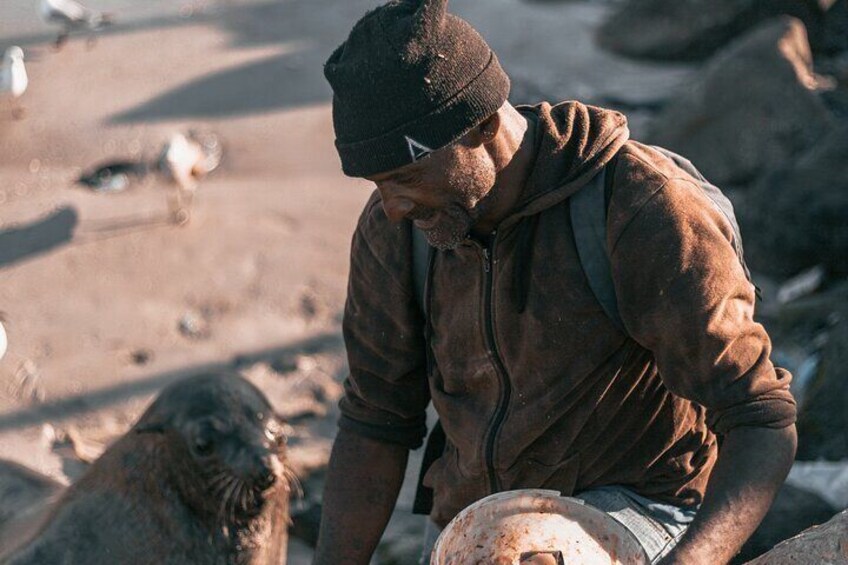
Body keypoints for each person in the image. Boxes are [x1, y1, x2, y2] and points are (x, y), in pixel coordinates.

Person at [315, 1, 797, 563]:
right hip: (473, 521)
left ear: (484, 126)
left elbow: (760, 417)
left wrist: (693, 561)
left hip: (643, 508)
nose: (393, 207)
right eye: (378, 183)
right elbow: (375, 421)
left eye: (407, 177)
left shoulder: (642, 208)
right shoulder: (397, 231)